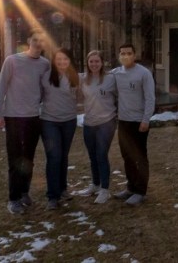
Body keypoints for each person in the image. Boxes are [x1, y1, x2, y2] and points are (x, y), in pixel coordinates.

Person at [0, 28, 51, 215]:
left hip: (33, 117)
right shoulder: (12, 61)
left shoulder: (45, 64)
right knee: (15, 159)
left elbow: (45, 88)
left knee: (28, 159)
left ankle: (25, 192)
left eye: (42, 41)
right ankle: (13, 199)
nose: (38, 43)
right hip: (14, 117)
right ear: (29, 40)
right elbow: (1, 88)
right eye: (35, 40)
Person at [111, 42, 155, 206]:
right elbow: (97, 78)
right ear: (119, 55)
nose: (126, 56)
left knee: (140, 157)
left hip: (139, 122)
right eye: (122, 53)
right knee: (127, 156)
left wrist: (146, 119)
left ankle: (140, 191)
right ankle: (130, 187)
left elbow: (150, 98)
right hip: (123, 121)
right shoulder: (116, 73)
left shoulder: (144, 73)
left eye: (129, 53)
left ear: (134, 55)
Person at [40, 47, 80, 210]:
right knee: (54, 157)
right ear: (54, 61)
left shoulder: (76, 77)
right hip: (49, 122)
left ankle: (63, 189)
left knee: (63, 156)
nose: (62, 62)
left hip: (69, 121)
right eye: (59, 59)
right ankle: (52, 196)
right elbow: (34, 93)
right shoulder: (46, 77)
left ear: (70, 61)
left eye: (65, 59)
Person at [77, 49, 117, 204]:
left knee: (101, 155)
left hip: (106, 123)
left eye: (97, 61)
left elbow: (123, 92)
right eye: (91, 61)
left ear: (102, 62)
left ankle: (105, 189)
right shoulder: (82, 79)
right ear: (87, 63)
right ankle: (95, 184)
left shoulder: (111, 78)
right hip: (89, 123)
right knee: (93, 156)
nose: (94, 64)